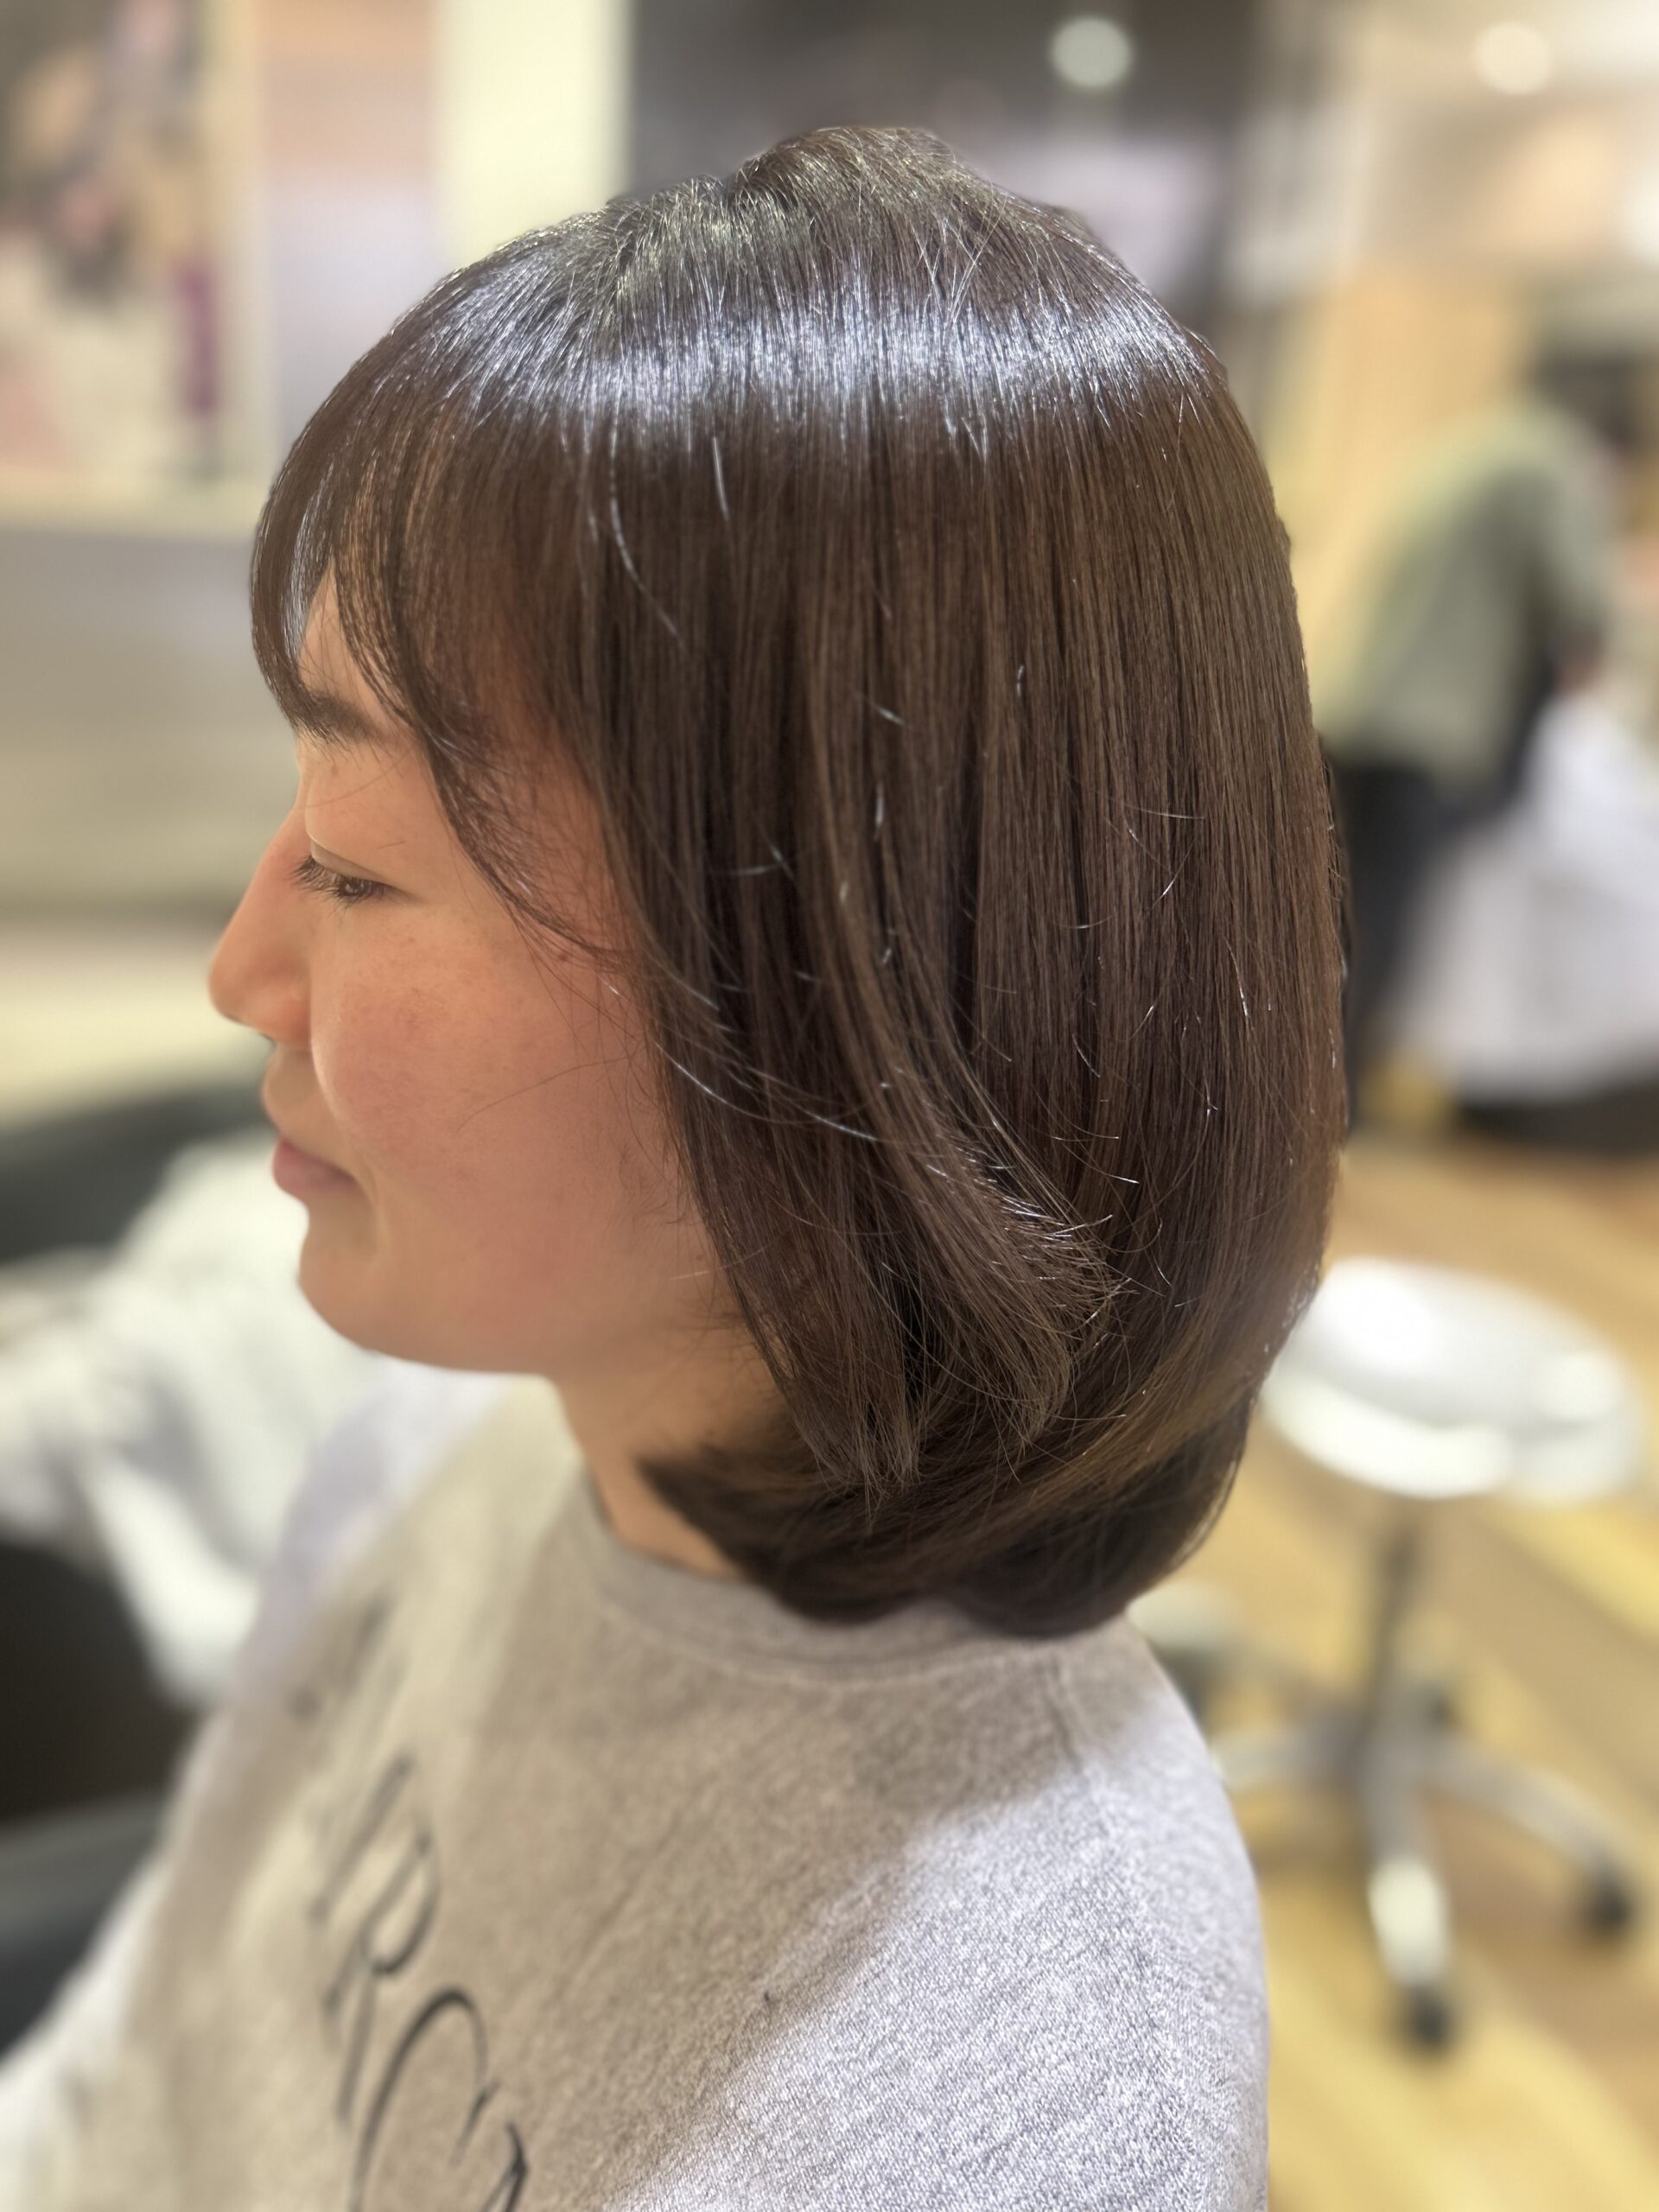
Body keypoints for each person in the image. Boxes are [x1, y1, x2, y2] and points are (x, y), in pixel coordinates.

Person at [0, 126, 1344, 2209]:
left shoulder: (1006, 2119)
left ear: (849, 1005)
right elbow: (148, 2034)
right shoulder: (443, 1444)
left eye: (353, 862)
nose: (242, 968)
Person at [1316, 345, 1640, 1108]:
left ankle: (1293, 1088)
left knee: (1333, 912)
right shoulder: (1549, 465)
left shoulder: (1462, 451)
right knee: (1382, 922)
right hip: (1427, 731)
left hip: (1356, 707)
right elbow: (1581, 605)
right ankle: (1331, 1101)